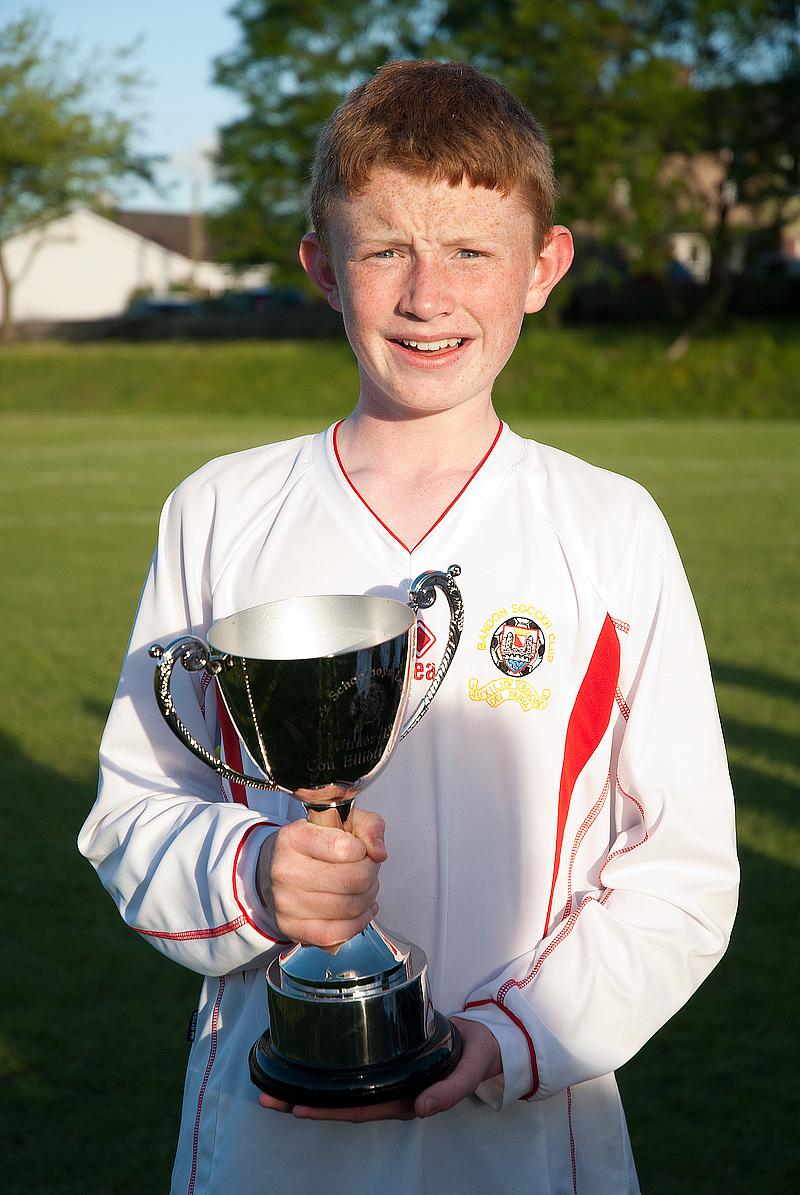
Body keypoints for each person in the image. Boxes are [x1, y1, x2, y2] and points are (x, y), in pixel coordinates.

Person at [79, 59, 739, 1195]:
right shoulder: (219, 510)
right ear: (322, 269)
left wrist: (516, 1032)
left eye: (472, 251)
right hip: (270, 1130)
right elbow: (133, 807)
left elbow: (679, 865)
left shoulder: (608, 525)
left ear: (544, 266)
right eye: (384, 249)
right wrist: (252, 874)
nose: (428, 296)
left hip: (523, 1137)